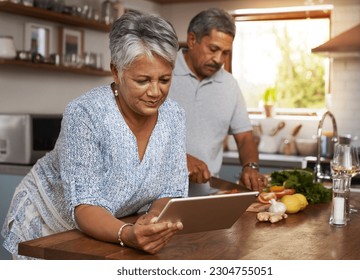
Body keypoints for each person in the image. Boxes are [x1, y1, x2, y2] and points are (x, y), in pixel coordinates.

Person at [1, 11, 188, 259]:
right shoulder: (86, 113)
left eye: (164, 79)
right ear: (116, 71)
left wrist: (152, 222)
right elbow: (85, 205)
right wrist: (127, 233)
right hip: (49, 224)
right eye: (143, 80)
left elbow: (171, 191)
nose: (155, 92)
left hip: (114, 228)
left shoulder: (173, 115)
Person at [168, 8, 268, 191]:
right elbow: (137, 134)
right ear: (192, 40)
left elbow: (245, 137)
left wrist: (251, 167)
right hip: (154, 199)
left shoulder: (229, 85)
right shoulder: (162, 73)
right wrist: (178, 159)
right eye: (213, 49)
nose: (218, 59)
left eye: (225, 53)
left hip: (207, 197)